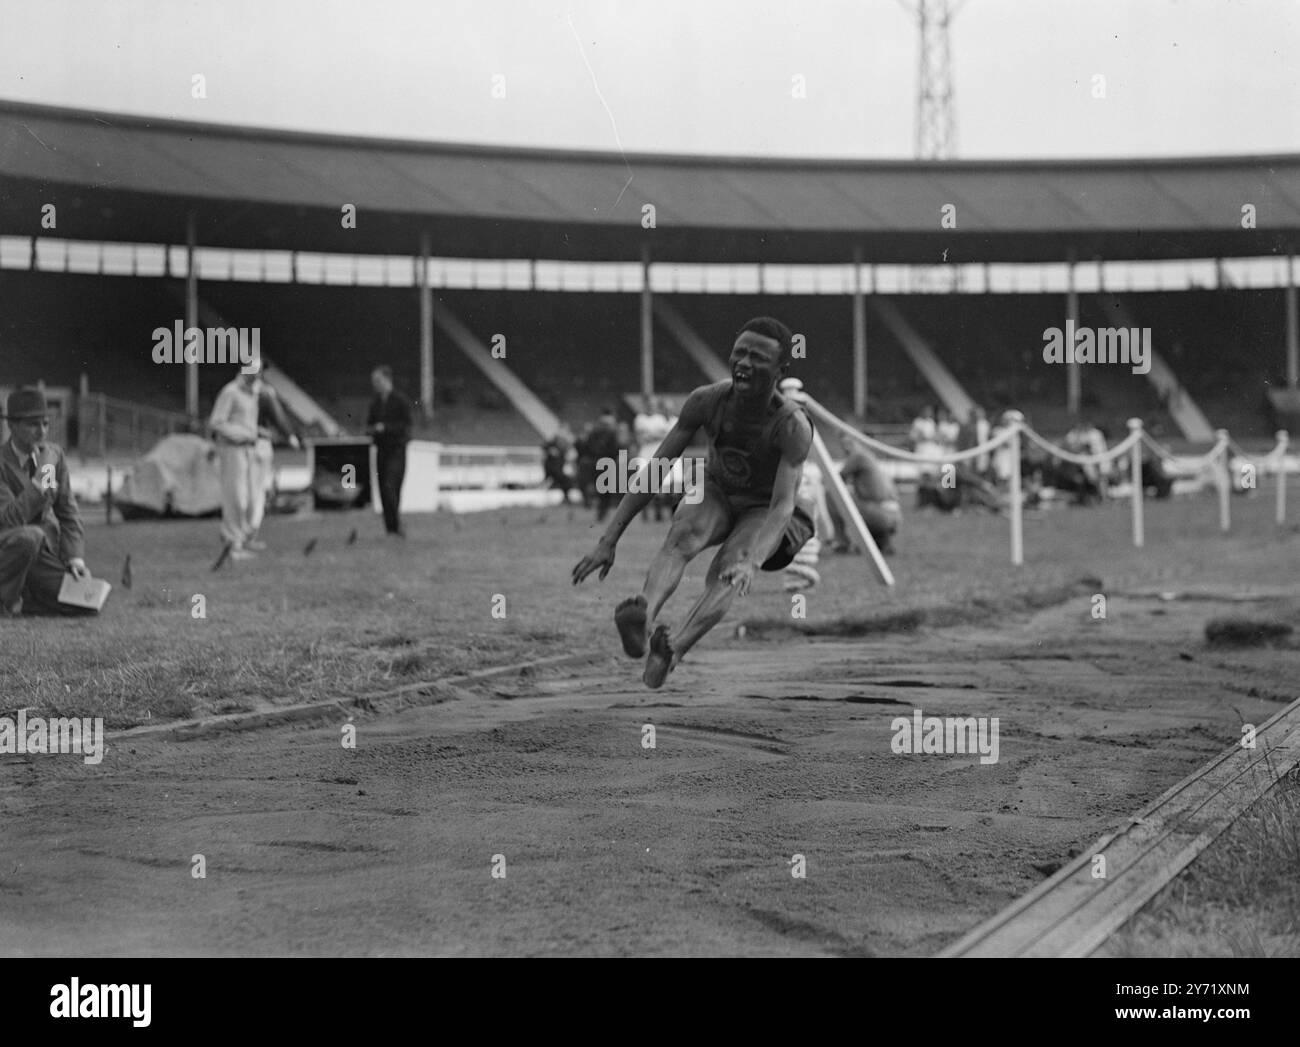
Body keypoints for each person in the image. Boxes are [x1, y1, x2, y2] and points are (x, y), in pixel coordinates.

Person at [573, 317, 814, 690]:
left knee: (729, 567)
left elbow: (783, 505)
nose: (744, 363)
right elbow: (656, 470)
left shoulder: (791, 425)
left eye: (758, 357)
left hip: (762, 508)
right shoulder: (707, 400)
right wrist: (608, 540)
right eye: (740, 353)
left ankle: (673, 650)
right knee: (684, 534)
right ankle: (644, 616)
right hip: (715, 488)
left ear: (781, 369)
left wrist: (752, 561)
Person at [0, 387, 95, 616]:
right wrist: (40, 481)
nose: (41, 431)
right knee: (29, 536)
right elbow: (9, 519)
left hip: (42, 556)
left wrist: (75, 559)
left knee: (86, 603)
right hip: (8, 551)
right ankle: (12, 597)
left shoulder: (54, 455)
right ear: (11, 425)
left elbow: (68, 512)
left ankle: (24, 598)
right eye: (33, 424)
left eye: (45, 423)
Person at [209, 365, 265, 560]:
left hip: (249, 449)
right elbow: (216, 423)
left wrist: (254, 433)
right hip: (232, 449)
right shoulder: (230, 392)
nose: (259, 374)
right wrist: (241, 435)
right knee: (236, 497)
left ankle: (244, 539)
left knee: (251, 498)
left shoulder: (254, 392)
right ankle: (233, 545)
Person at [246, 366, 301, 550]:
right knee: (257, 492)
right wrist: (290, 435)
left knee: (245, 492)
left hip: (240, 446)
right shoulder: (264, 392)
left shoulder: (236, 390)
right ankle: (249, 534)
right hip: (258, 444)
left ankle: (241, 533)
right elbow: (278, 417)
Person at [831, 434, 902, 554]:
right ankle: (881, 541)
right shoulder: (870, 456)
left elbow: (835, 481)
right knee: (862, 501)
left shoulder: (857, 456)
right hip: (895, 514)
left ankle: (842, 542)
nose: (846, 448)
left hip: (879, 513)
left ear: (858, 442)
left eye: (849, 443)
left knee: (831, 496)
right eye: (843, 445)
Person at [366, 366, 413, 537]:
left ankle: (397, 524)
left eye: (377, 381)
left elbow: (406, 426)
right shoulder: (375, 403)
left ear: (387, 380)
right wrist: (373, 431)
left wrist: (385, 428)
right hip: (381, 451)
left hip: (397, 451)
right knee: (383, 489)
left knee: (390, 486)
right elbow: (369, 425)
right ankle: (391, 529)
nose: (375, 385)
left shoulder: (400, 401)